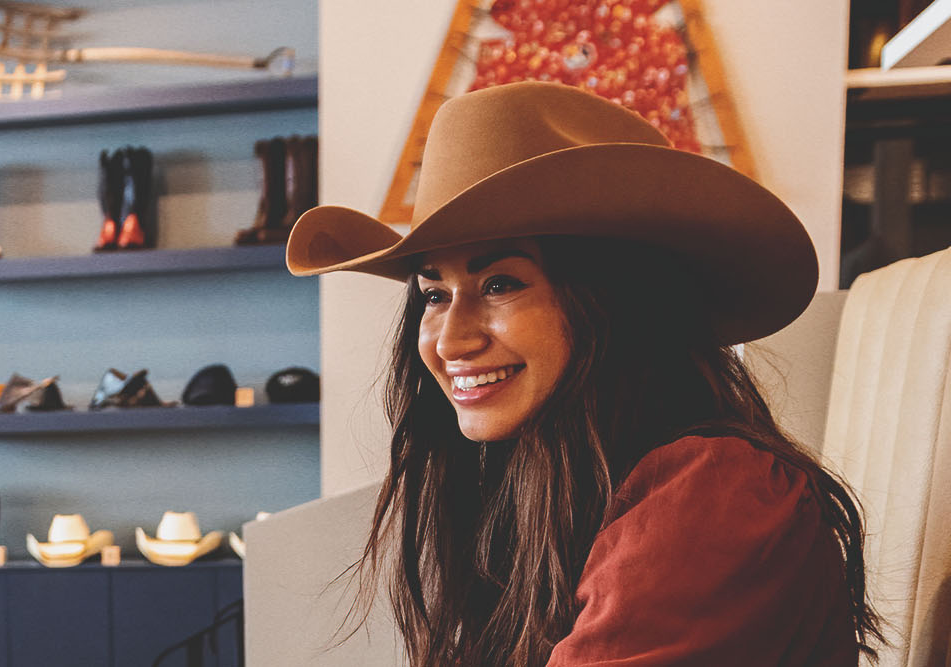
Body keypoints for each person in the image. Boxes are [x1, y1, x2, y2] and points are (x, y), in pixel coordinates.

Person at [285, 81, 883, 665]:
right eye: (434, 293)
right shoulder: (550, 483)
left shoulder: (713, 490)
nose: (450, 340)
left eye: (500, 284)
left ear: (613, 304)